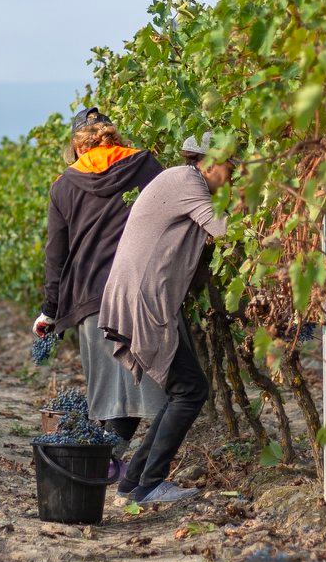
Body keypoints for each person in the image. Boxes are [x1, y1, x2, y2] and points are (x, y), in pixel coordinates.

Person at [97, 145, 233, 505]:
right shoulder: (187, 181)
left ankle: (134, 484)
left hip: (139, 294)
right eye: (233, 168)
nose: (234, 178)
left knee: (183, 390)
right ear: (212, 162)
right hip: (144, 298)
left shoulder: (179, 180)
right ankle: (150, 484)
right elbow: (224, 229)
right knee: (191, 390)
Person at [35, 108, 167, 470]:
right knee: (160, 388)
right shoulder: (145, 166)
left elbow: (56, 254)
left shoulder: (64, 185)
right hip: (143, 292)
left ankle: (109, 465)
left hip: (91, 298)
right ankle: (119, 466)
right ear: (114, 137)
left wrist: (50, 309)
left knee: (111, 392)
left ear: (78, 147)